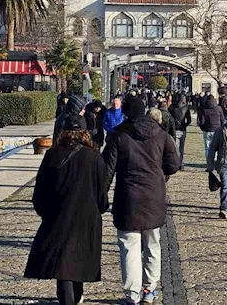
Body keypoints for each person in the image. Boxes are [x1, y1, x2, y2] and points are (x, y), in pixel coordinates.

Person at [103, 97, 180, 305]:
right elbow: (173, 165)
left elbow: (106, 170)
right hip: (153, 197)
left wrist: (101, 197)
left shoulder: (119, 135)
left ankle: (132, 294)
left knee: (129, 249)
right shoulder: (161, 134)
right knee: (153, 246)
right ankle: (149, 289)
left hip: (127, 198)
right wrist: (158, 170)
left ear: (126, 113)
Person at [25, 115, 109, 305]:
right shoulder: (95, 157)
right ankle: (76, 296)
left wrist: (45, 213)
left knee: (63, 266)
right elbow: (101, 193)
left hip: (58, 216)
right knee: (76, 259)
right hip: (87, 218)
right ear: (85, 132)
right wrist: (101, 208)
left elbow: (40, 191)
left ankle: (71, 299)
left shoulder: (53, 155)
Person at [198, 94, 226, 166]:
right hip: (217, 130)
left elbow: (201, 121)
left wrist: (203, 128)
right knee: (217, 147)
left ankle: (209, 163)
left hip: (207, 130)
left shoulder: (204, 110)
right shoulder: (219, 108)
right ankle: (216, 162)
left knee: (207, 147)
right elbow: (222, 120)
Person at [169, 94, 192, 169]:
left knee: (174, 147)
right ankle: (181, 163)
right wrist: (185, 125)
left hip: (174, 129)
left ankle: (174, 163)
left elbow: (169, 119)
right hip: (182, 128)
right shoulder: (186, 107)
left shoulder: (171, 107)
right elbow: (189, 120)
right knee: (181, 148)